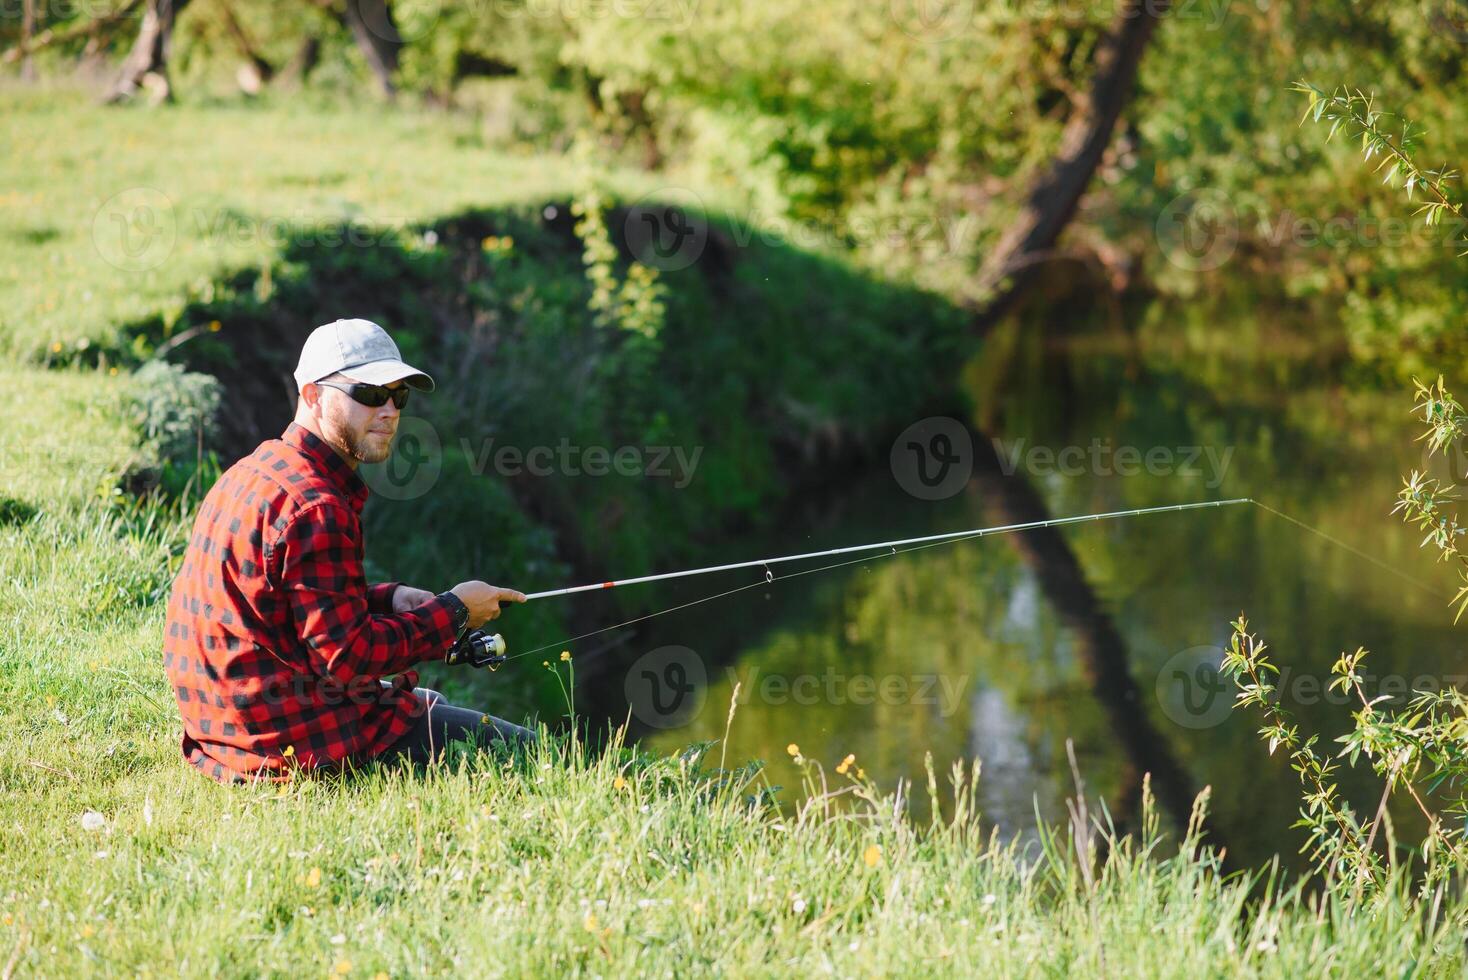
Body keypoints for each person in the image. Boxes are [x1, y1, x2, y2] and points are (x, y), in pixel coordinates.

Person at [161, 317, 532, 785]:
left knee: (432, 705)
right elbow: (348, 659)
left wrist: (388, 599)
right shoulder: (317, 507)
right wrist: (454, 612)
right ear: (313, 395)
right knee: (534, 756)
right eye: (371, 394)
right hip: (292, 748)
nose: (390, 411)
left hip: (228, 736)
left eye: (400, 396)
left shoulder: (253, 469)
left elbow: (281, 600)